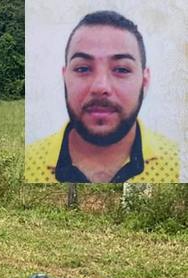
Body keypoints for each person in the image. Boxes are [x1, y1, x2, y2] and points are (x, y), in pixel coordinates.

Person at [25, 10, 180, 183]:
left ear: (144, 80)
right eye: (83, 69)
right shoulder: (26, 163)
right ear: (65, 77)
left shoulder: (178, 164)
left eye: (121, 69)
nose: (100, 87)